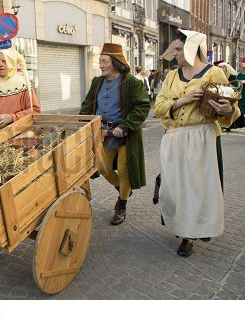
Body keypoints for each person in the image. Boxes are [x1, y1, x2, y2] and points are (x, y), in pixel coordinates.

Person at [155, 30, 241, 257]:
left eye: (179, 49)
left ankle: (189, 236)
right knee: (174, 188)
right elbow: (159, 106)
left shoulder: (213, 73)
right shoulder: (172, 76)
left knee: (196, 190)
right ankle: (180, 224)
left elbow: (232, 105)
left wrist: (228, 109)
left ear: (193, 48)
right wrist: (180, 101)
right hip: (174, 139)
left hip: (202, 138)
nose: (175, 54)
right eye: (174, 49)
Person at [80, 43, 150, 226]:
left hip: (125, 136)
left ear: (116, 62)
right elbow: (87, 105)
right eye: (100, 62)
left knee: (125, 171)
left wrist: (125, 126)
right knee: (102, 167)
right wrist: (83, 123)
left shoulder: (132, 83)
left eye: (104, 61)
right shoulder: (97, 82)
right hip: (104, 135)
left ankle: (122, 204)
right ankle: (122, 189)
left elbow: (143, 107)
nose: (101, 65)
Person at [0, 48, 41, 133]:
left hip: (20, 139)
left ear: (11, 63)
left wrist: (12, 117)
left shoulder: (23, 85)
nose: (0, 64)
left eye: (4, 61)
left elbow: (35, 111)